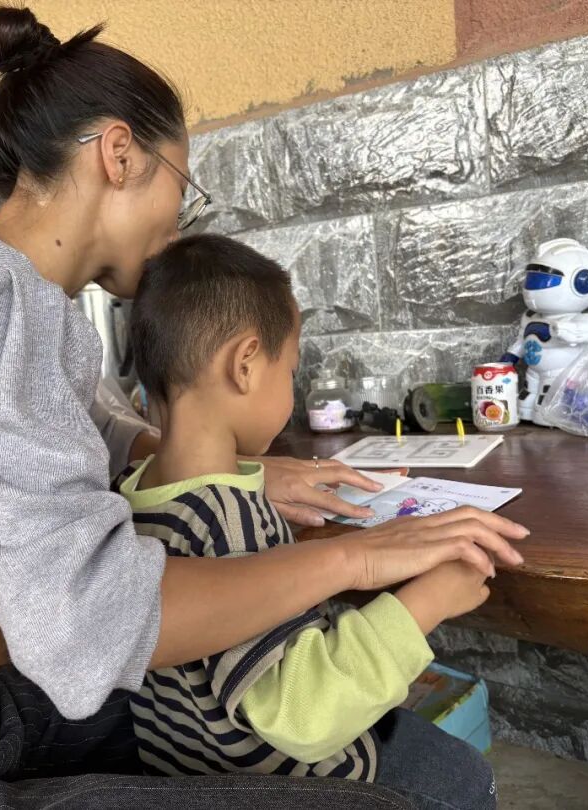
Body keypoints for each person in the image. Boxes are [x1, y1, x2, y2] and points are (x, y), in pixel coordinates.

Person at [0, 7, 527, 808]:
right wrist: (362, 560)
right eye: (182, 187)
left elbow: (66, 430)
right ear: (121, 155)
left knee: (278, 736)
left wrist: (211, 462)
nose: (178, 224)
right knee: (396, 797)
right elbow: (88, 627)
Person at [117, 234, 508, 807]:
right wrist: (430, 601)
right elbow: (302, 716)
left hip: (185, 772)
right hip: (293, 786)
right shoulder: (226, 520)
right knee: (465, 780)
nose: (291, 389)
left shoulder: (130, 493)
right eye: (291, 371)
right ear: (245, 364)